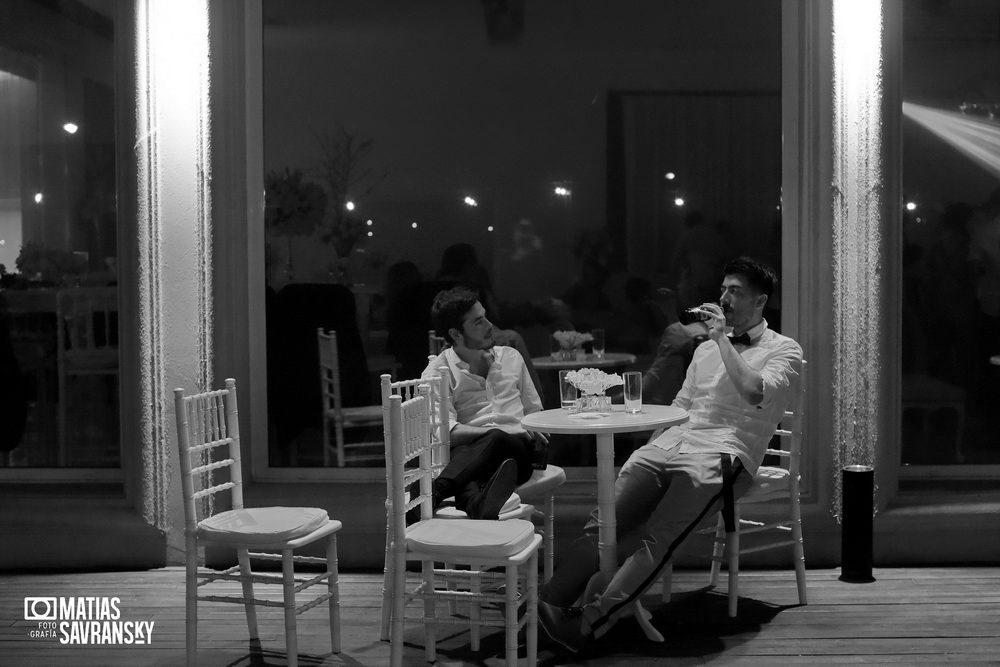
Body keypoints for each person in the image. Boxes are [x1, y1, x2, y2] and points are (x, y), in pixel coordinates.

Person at [537, 256, 802, 652]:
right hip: (672, 443)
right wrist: (653, 444)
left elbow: (753, 390)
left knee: (656, 538)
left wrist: (721, 341)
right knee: (603, 523)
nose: (724, 297)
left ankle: (589, 624)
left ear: (760, 301)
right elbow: (683, 401)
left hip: (723, 454)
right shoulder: (703, 351)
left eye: (736, 292)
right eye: (724, 288)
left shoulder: (784, 350)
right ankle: (545, 607)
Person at [420, 286, 548, 520]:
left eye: (485, 316)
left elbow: (533, 409)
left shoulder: (511, 357)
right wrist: (491, 433)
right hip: (472, 459)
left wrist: (535, 427)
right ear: (456, 334)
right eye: (478, 322)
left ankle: (434, 492)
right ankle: (476, 504)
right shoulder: (437, 372)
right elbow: (445, 432)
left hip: (517, 455)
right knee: (482, 450)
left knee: (494, 440)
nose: (490, 325)